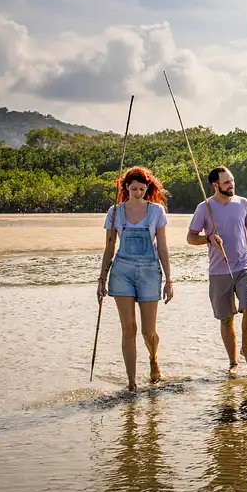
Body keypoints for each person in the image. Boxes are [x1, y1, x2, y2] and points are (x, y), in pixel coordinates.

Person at [97, 166, 175, 392]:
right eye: (134, 189)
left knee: (148, 332)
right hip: (122, 271)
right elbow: (110, 246)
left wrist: (169, 279)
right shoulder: (115, 212)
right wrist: (101, 279)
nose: (138, 193)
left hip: (150, 271)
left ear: (147, 188)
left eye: (142, 189)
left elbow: (162, 247)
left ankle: (153, 358)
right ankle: (131, 383)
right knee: (129, 329)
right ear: (126, 188)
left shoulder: (157, 211)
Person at [187, 166, 247, 371]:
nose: (231, 184)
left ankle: (246, 349)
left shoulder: (243, 203)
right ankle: (233, 362)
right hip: (218, 271)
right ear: (215, 185)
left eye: (232, 180)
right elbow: (191, 237)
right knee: (226, 319)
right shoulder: (204, 208)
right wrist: (207, 239)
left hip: (244, 266)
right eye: (226, 182)